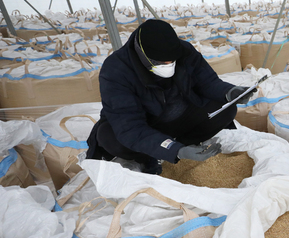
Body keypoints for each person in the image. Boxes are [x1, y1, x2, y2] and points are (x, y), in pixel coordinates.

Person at [87, 19, 254, 174]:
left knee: (225, 108)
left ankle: (184, 144)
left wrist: (230, 92)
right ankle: (151, 155)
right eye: (161, 63)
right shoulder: (116, 70)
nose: (168, 66)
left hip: (178, 114)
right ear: (142, 54)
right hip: (145, 124)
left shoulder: (182, 50)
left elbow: (207, 81)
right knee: (110, 138)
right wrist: (175, 150)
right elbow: (130, 127)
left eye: (171, 61)